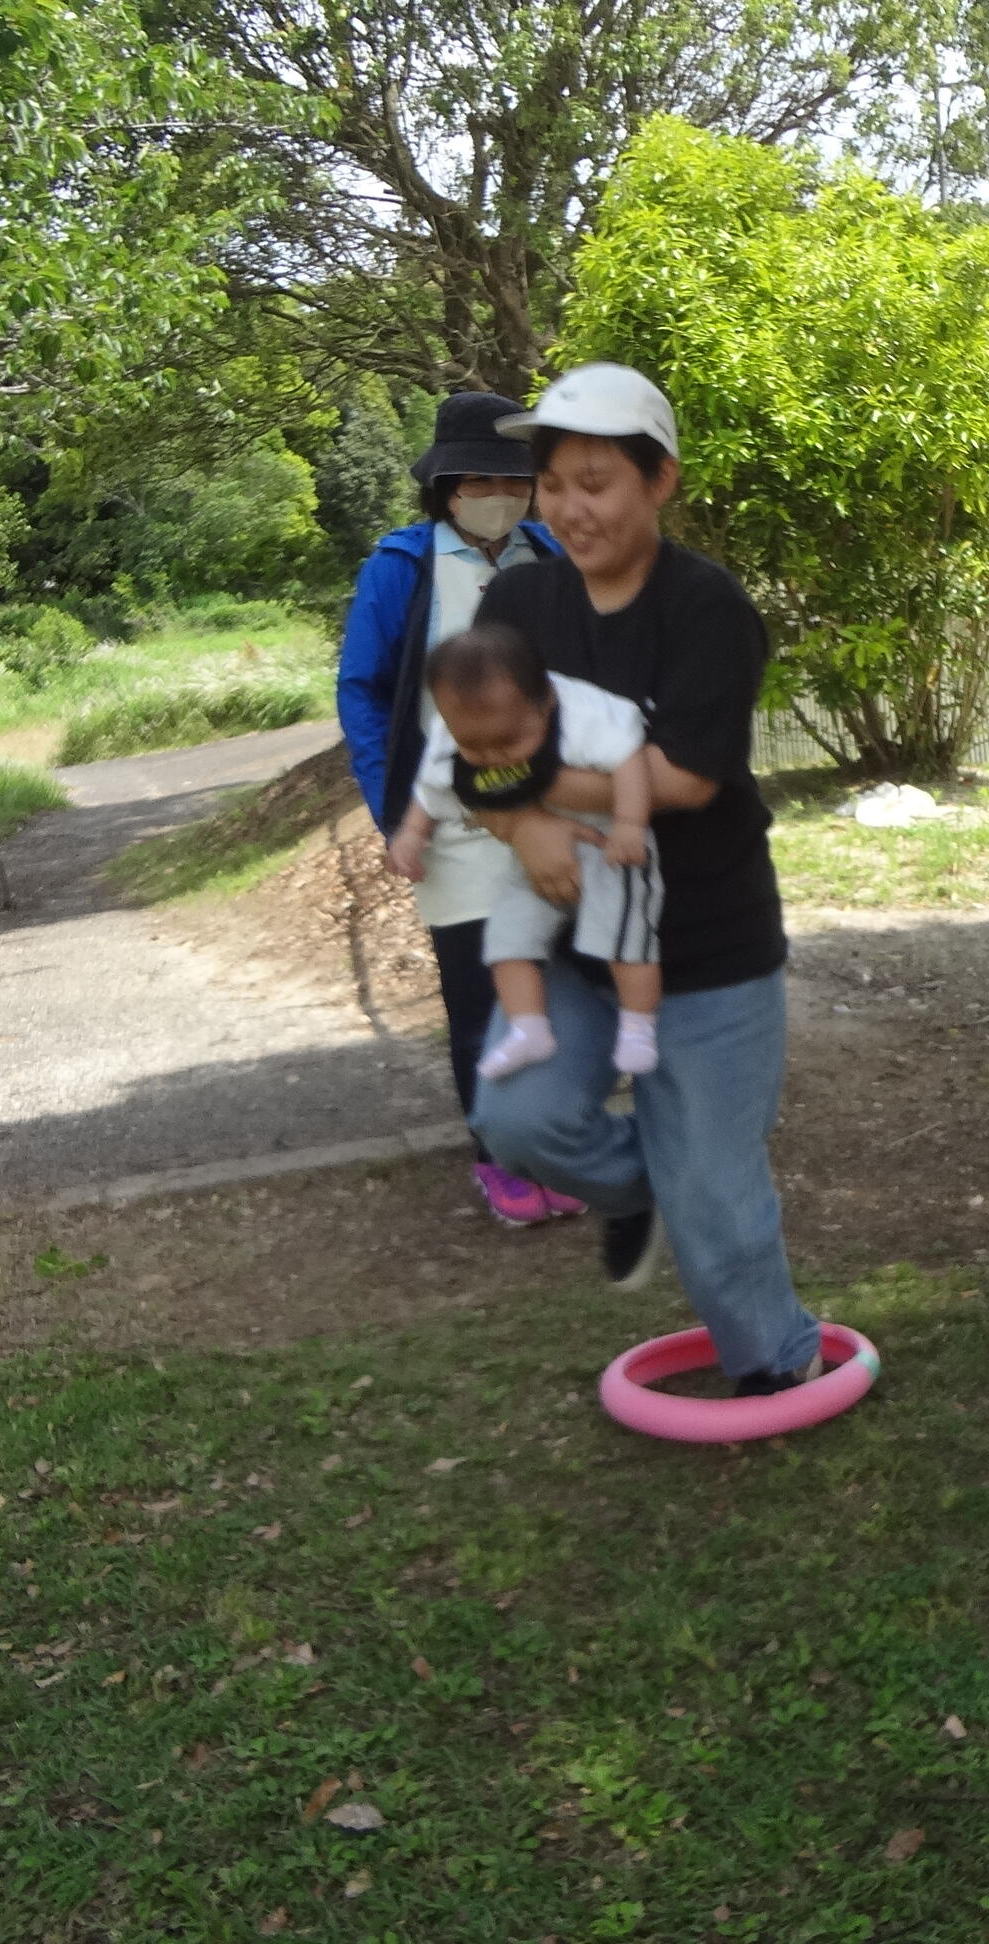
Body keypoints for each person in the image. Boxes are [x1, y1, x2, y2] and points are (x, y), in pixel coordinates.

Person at [470, 363, 825, 1395]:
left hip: (707, 952)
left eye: (597, 482)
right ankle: (650, 1187)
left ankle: (777, 1364)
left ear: (658, 481)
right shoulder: (520, 597)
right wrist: (517, 822)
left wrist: (526, 787)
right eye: (554, 483)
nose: (570, 508)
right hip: (575, 945)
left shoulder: (707, 606)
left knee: (717, 1201)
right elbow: (469, 750)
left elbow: (681, 776)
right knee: (520, 1120)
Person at [335, 390, 585, 1228]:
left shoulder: (549, 555)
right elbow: (363, 692)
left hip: (551, 814)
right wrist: (394, 808)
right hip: (449, 818)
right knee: (482, 997)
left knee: (558, 988)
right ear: (445, 486)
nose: (498, 494)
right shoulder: (400, 567)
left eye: (514, 479)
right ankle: (499, 1160)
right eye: (479, 478)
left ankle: (553, 1144)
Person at [387, 622, 666, 1080]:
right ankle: (528, 1028)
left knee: (624, 938)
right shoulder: (453, 734)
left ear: (547, 701)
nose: (495, 757)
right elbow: (431, 786)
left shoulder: (586, 712)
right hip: (529, 854)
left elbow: (629, 760)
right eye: (473, 746)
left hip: (609, 845)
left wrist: (631, 825)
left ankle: (638, 1026)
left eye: (510, 741)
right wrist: (412, 835)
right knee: (506, 941)